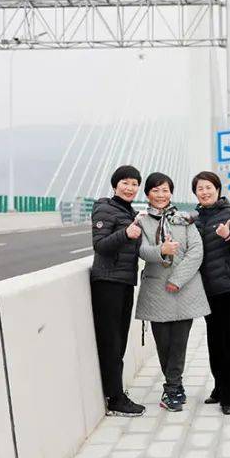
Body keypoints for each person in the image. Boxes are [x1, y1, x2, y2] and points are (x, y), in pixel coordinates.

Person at [135, 172, 210, 412]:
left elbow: (196, 251)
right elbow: (142, 251)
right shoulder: (142, 222)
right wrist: (161, 249)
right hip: (156, 289)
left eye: (165, 190)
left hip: (184, 289)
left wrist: (178, 279)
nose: (161, 195)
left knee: (179, 342)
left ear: (171, 193)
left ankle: (173, 387)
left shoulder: (184, 220)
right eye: (155, 190)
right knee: (163, 343)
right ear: (147, 194)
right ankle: (174, 385)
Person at [191, 171, 230, 415]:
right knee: (214, 343)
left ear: (217, 189)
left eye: (208, 187)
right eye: (199, 189)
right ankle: (219, 388)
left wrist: (228, 235)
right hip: (206, 290)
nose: (204, 192)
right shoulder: (197, 218)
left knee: (229, 344)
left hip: (227, 288)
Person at [89, 165, 146, 417]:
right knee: (111, 340)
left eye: (134, 184)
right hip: (107, 282)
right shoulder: (105, 208)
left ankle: (118, 393)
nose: (130, 187)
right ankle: (115, 398)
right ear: (115, 185)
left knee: (120, 339)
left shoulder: (128, 210)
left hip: (124, 281)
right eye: (125, 182)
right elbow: (100, 245)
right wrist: (127, 233)